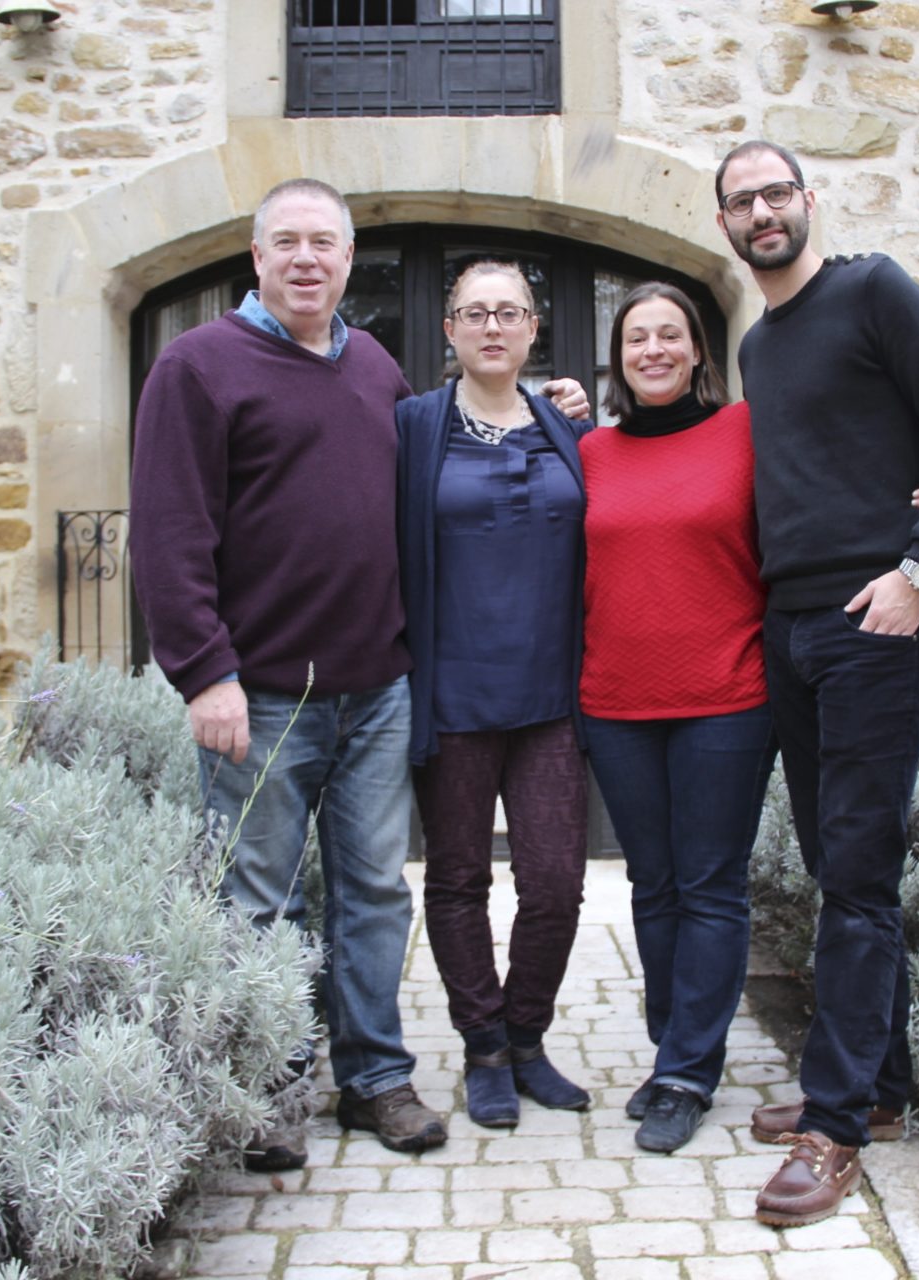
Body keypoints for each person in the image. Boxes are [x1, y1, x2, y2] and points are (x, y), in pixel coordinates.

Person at [131, 179, 588, 1172]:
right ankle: (270, 1086)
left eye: (324, 244)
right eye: (286, 241)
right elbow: (168, 532)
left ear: (346, 261)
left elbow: (466, 427)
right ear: (256, 258)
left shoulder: (373, 366)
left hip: (379, 685)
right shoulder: (196, 365)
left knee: (375, 891)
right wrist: (202, 670)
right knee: (262, 901)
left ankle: (373, 1074)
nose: (306, 259)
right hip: (258, 692)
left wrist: (557, 409)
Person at [712, 141, 919, 1227]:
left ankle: (837, 1127)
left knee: (861, 875)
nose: (762, 213)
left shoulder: (876, 290)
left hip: (878, 621)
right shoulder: (759, 346)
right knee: (839, 862)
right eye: (741, 202)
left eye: (776, 193)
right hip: (793, 628)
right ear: (729, 227)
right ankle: (880, 1085)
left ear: (807, 201)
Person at [578, 281, 777, 1155]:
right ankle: (675, 1051)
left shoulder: (746, 432)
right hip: (614, 700)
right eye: (636, 338)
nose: (653, 349)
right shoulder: (587, 450)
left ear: (699, 350)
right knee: (652, 885)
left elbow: (823, 493)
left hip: (727, 697)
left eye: (670, 335)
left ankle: (689, 1072)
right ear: (618, 357)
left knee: (710, 886)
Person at [395, 260, 593, 1129]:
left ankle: (527, 1034)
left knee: (554, 883)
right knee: (460, 878)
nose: (492, 327)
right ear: (449, 330)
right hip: (455, 693)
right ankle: (482, 1048)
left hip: (552, 696)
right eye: (474, 313)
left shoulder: (567, 427)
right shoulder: (411, 427)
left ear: (533, 327)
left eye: (509, 312)